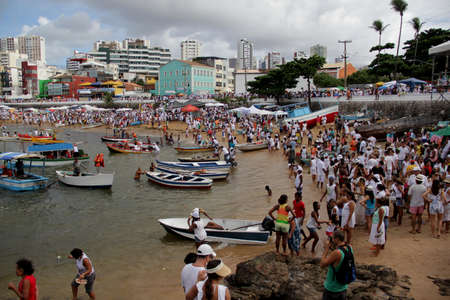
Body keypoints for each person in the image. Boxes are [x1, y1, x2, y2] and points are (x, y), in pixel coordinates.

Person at [320, 230, 354, 300]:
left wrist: (326, 249)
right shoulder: (350, 247)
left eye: (332, 238)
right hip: (343, 286)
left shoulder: (337, 252)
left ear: (337, 239)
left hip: (332, 288)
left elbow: (322, 264)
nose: (331, 240)